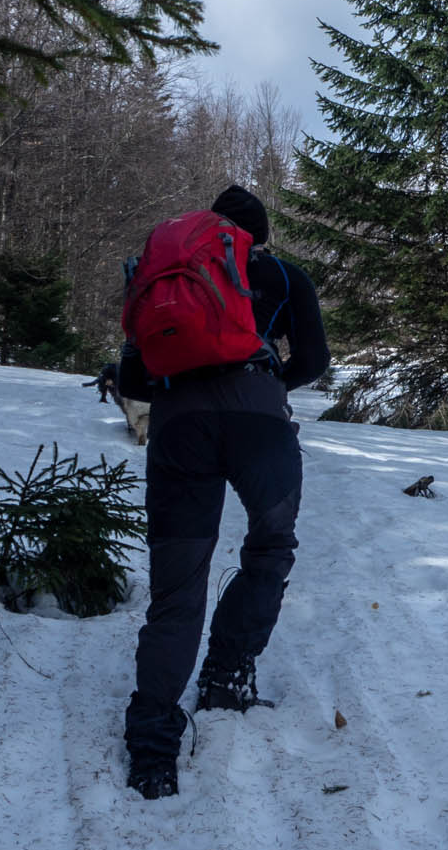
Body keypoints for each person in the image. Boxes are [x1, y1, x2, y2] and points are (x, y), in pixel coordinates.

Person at [119, 185, 329, 800]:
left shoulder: (166, 275)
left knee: (178, 583)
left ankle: (153, 741)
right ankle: (227, 676)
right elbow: (314, 360)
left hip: (179, 423)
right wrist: (269, 385)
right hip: (260, 418)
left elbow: (134, 374)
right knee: (270, 547)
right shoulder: (285, 275)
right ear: (257, 235)